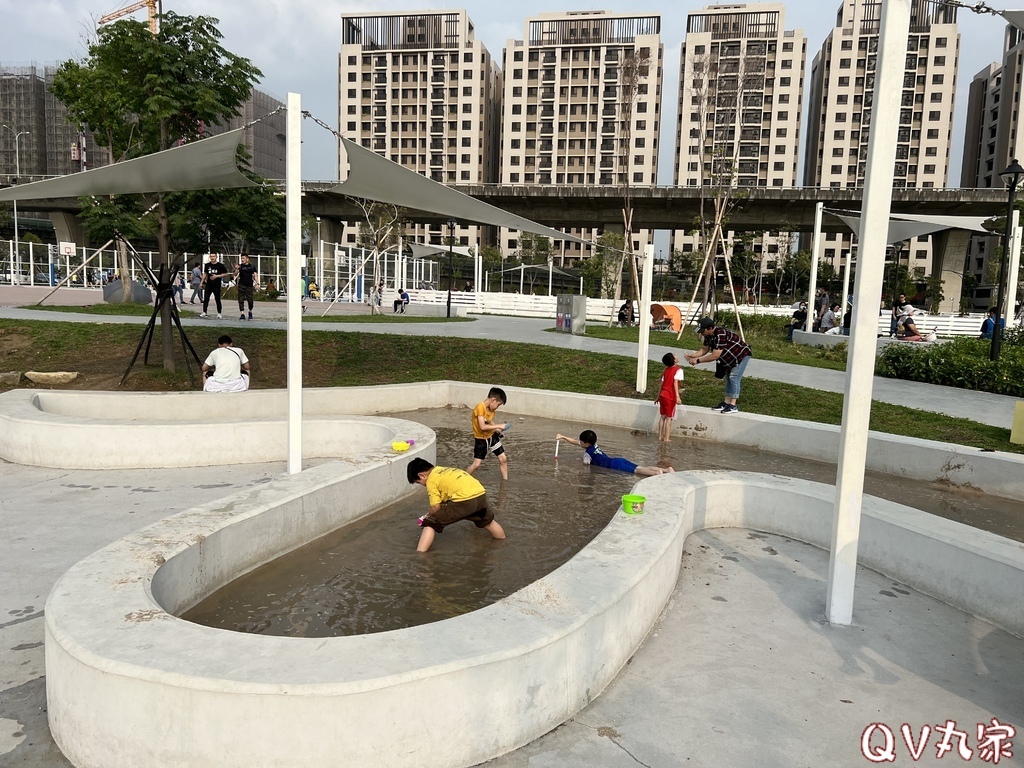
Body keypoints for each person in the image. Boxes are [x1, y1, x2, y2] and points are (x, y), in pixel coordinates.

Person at [406, 458, 506, 553]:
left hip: (464, 501)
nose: (422, 485)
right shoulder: (444, 470)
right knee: (487, 521)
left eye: (419, 482)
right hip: (480, 495)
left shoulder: (431, 480)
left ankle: (420, 555)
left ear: (422, 475)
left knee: (430, 522)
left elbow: (435, 507)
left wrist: (426, 517)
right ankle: (503, 543)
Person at [684, 317, 752, 414]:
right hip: (729, 358)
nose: (701, 333)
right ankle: (726, 402)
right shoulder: (708, 335)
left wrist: (697, 361)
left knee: (734, 377)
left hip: (741, 355)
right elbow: (704, 349)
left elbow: (715, 356)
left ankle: (733, 405)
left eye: (703, 331)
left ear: (710, 328)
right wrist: (692, 356)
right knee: (728, 377)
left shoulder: (721, 334)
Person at [555, 430, 674, 476]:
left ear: (586, 444)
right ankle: (666, 470)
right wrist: (563, 437)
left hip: (614, 465)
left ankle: (656, 473)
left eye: (581, 442)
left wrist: (578, 461)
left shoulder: (587, 454)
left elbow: (586, 466)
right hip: (617, 460)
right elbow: (575, 442)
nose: (578, 442)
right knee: (640, 466)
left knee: (637, 471)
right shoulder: (593, 445)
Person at [467, 387, 510, 480]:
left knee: (503, 459)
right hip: (481, 440)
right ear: (493, 400)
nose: (497, 407)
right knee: (476, 464)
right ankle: (461, 479)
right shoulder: (480, 407)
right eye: (498, 405)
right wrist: (499, 425)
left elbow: (488, 422)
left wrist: (498, 430)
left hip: (491, 437)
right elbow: (482, 427)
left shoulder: (491, 409)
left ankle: (505, 482)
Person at [657, 352, 684, 443]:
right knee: (669, 418)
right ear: (674, 360)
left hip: (662, 395)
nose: (676, 356)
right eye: (675, 355)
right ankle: (667, 438)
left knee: (662, 417)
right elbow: (675, 383)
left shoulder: (666, 370)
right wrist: (677, 396)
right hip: (670, 397)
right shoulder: (678, 370)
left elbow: (661, 384)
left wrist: (658, 396)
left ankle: (660, 436)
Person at [200, 254, 228, 318]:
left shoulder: (220, 265)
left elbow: (226, 274)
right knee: (206, 298)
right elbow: (205, 274)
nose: (212, 258)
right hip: (209, 285)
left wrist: (217, 276)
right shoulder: (207, 265)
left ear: (216, 257)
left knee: (217, 299)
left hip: (217, 285)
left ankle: (219, 313)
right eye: (211, 256)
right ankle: (204, 312)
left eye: (214, 256)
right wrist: (201, 282)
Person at [233, 253, 259, 320]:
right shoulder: (240, 266)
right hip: (241, 285)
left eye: (243, 258)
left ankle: (250, 311)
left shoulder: (252, 266)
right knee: (240, 300)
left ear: (247, 259)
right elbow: (235, 274)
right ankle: (242, 313)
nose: (242, 260)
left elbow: (255, 275)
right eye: (241, 258)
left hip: (249, 286)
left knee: (250, 300)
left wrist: (257, 283)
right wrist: (236, 269)